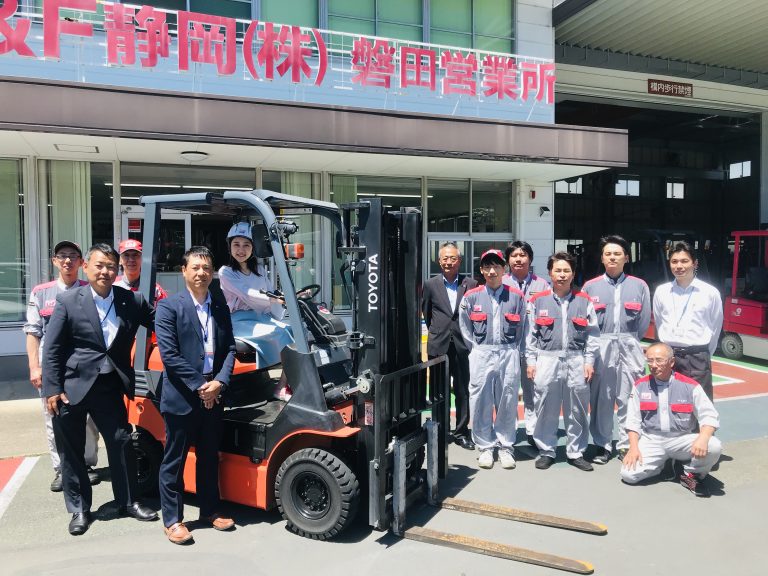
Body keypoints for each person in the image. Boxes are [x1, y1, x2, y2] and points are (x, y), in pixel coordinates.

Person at [42, 243, 158, 536]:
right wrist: (51, 389)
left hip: (109, 386)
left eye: (111, 266)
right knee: (72, 451)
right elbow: (52, 348)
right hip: (71, 387)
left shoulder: (130, 300)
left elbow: (161, 321)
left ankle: (129, 501)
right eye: (99, 265)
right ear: (86, 267)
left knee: (121, 442)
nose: (105, 271)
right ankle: (80, 509)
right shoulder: (68, 301)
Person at [155, 246, 236, 545]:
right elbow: (170, 355)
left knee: (209, 457)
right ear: (183, 271)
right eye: (195, 267)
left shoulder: (219, 306)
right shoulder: (169, 307)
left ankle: (209, 511)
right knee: (174, 461)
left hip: (214, 394)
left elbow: (230, 348)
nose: (201, 273)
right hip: (182, 396)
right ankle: (172, 520)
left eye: (206, 268)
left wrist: (220, 383)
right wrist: (202, 387)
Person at [23, 240, 101, 492]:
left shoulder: (90, 289)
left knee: (88, 418)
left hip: (83, 364)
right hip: (52, 364)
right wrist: (35, 367)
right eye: (62, 256)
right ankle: (62, 468)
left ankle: (86, 464)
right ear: (54, 261)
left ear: (81, 262)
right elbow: (33, 332)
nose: (68, 260)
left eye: (73, 256)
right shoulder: (41, 292)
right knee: (53, 416)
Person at [526, 251, 599, 471]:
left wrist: (589, 361)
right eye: (557, 270)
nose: (562, 275)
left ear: (573, 274)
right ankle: (546, 450)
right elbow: (530, 335)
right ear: (550, 273)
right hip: (546, 359)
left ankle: (575, 452)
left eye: (566, 270)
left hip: (576, 360)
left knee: (577, 408)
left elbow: (593, 334)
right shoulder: (537, 300)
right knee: (545, 406)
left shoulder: (584, 300)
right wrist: (531, 362)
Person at [621, 343, 721, 497]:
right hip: (652, 439)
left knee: (713, 445)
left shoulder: (690, 386)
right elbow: (633, 421)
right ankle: (664, 465)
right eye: (650, 360)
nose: (653, 365)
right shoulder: (640, 386)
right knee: (629, 475)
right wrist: (633, 448)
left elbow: (709, 415)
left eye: (659, 360)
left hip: (681, 439)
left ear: (672, 362)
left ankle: (691, 474)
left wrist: (703, 438)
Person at [583, 235, 651, 464]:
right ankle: (602, 444)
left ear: (626, 258)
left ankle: (625, 444)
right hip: (601, 344)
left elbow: (644, 321)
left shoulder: (639, 286)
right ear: (602, 258)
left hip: (630, 344)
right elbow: (585, 323)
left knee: (628, 397)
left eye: (617, 254)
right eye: (608, 254)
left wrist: (629, 341)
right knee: (602, 397)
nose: (612, 257)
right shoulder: (590, 286)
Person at [459, 249, 526, 469]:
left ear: (504, 269)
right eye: (487, 266)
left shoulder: (517, 296)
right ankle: (485, 447)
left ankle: (506, 447)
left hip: (508, 352)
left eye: (496, 266)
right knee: (480, 400)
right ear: (481, 270)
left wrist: (515, 351)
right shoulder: (471, 297)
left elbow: (523, 328)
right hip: (482, 353)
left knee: (507, 399)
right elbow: (465, 328)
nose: (492, 271)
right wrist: (477, 350)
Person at [422, 242, 478, 450]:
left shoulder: (471, 284)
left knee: (463, 390)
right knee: (439, 390)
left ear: (459, 261)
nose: (448, 262)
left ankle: (462, 432)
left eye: (452, 258)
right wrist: (439, 331)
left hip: (463, 345)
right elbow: (427, 313)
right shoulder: (430, 284)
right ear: (439, 261)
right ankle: (441, 431)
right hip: (439, 345)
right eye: (445, 258)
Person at [652, 241, 722, 400]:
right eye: (674, 261)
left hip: (697, 357)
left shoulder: (710, 292)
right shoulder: (661, 292)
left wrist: (702, 353)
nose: (679, 266)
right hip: (667, 356)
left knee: (699, 404)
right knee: (665, 401)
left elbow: (715, 327)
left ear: (695, 263)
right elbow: (659, 321)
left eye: (684, 261)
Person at [218, 222, 293, 370]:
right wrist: (274, 299)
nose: (241, 250)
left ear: (253, 247)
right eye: (236, 244)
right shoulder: (226, 272)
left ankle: (286, 378)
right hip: (239, 322)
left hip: (263, 318)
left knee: (295, 330)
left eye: (246, 245)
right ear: (230, 247)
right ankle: (285, 380)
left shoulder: (259, 270)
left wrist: (291, 295)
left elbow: (272, 292)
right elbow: (247, 293)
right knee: (280, 333)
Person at [503, 240, 549, 446]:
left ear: (530, 259)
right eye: (514, 255)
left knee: (533, 391)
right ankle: (508, 430)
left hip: (534, 350)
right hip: (508, 348)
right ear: (508, 260)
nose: (518, 259)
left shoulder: (542, 285)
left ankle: (532, 430)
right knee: (508, 391)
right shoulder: (501, 283)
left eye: (523, 255)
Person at [114, 239, 168, 304]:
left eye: (135, 255)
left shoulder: (155, 289)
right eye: (126, 255)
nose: (131, 259)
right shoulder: (112, 285)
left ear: (142, 258)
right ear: (120, 260)